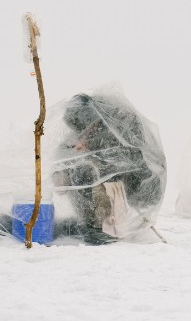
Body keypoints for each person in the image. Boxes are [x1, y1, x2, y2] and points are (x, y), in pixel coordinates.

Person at [52, 93, 166, 244]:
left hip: (130, 183)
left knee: (101, 180)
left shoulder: (117, 128)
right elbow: (64, 154)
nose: (82, 129)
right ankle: (90, 224)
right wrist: (60, 173)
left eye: (83, 123)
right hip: (102, 182)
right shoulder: (80, 134)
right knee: (77, 174)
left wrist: (90, 147)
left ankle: (105, 228)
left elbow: (126, 159)